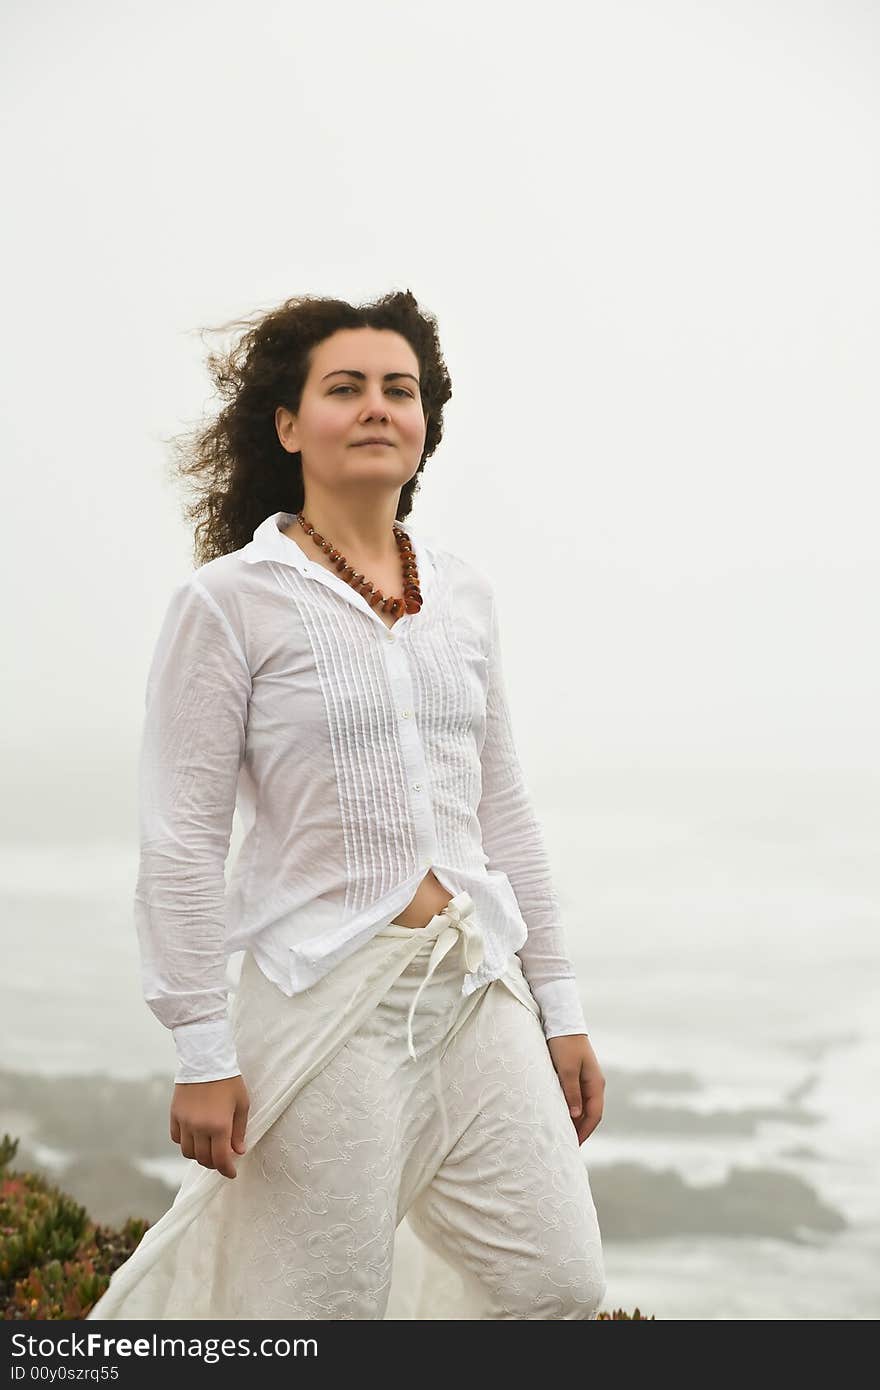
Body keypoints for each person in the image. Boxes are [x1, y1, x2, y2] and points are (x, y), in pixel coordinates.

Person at [87, 290, 607, 1321]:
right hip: (322, 996)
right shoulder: (228, 602)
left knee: (557, 1282)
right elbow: (183, 834)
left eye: (399, 389)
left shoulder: (462, 596)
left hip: (472, 984)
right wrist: (199, 1047)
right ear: (287, 426)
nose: (377, 406)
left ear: (425, 427)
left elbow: (504, 813)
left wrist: (562, 1006)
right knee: (320, 1309)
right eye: (345, 387)